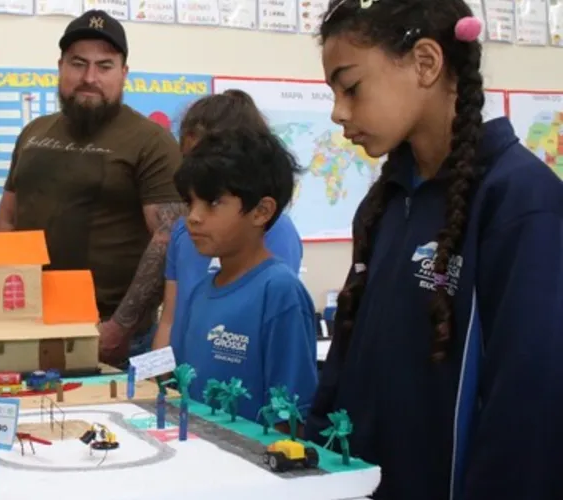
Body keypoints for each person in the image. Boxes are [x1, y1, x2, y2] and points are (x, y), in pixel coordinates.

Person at [307, 1, 563, 499]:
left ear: (426, 63)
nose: (338, 111)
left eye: (351, 86)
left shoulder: (520, 201)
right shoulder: (382, 203)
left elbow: (530, 403)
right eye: (332, 92)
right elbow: (347, 354)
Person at [0, 10, 184, 365]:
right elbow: (6, 221)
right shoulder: (34, 133)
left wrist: (119, 327)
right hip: (31, 327)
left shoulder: (152, 142)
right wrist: (4, 309)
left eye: (105, 66)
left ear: (124, 73)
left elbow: (167, 241)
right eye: (78, 63)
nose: (89, 77)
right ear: (61, 66)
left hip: (110, 334)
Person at [170, 130, 317, 421]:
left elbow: (291, 417)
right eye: (190, 203)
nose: (193, 217)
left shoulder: (279, 292)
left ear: (261, 212)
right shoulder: (200, 292)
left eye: (212, 202)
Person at [152, 91, 305, 354]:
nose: (197, 175)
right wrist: (156, 381)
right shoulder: (183, 230)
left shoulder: (277, 233)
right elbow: (170, 318)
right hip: (184, 382)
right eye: (190, 161)